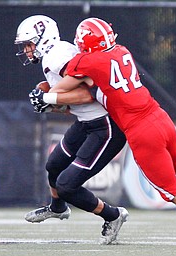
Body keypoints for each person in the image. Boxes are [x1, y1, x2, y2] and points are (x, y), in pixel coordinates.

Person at [30, 17, 176, 247]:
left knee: (170, 191)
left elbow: (61, 89)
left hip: (141, 130)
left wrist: (46, 96)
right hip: (158, 115)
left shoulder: (87, 62)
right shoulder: (122, 51)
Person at [15, 15, 128, 245]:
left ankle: (113, 215)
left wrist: (48, 97)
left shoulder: (58, 57)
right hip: (86, 122)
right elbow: (70, 103)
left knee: (67, 185)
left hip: (105, 126)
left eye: (29, 44)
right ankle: (58, 208)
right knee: (53, 165)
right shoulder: (54, 54)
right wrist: (51, 102)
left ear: (43, 38)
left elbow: (90, 93)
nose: (27, 51)